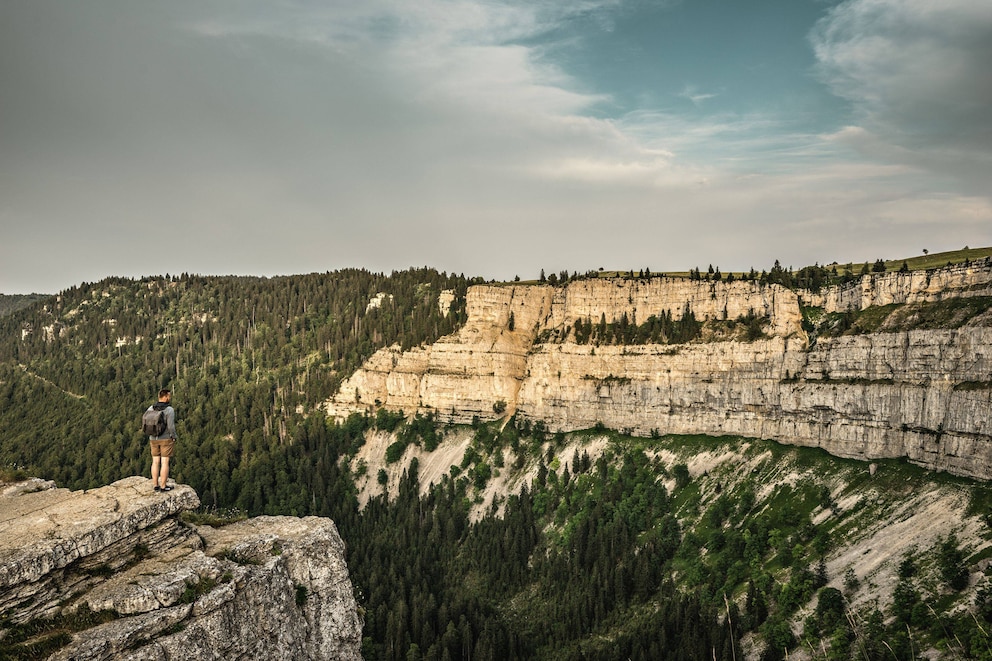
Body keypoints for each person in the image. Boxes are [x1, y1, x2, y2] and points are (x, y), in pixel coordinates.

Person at [147, 388, 177, 492]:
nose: (170, 397)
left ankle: (155, 485)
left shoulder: (151, 408)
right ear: (165, 397)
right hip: (165, 439)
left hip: (153, 438)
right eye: (169, 396)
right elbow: (171, 426)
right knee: (165, 462)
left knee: (155, 462)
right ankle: (163, 486)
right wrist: (174, 437)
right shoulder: (169, 410)